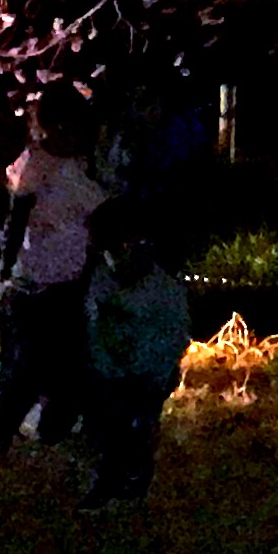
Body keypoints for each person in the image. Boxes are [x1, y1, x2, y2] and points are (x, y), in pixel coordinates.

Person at [0, 85, 107, 457]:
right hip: (41, 287)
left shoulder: (62, 167)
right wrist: (9, 268)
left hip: (57, 285)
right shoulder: (46, 169)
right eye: (66, 127)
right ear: (51, 128)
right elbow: (21, 217)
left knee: (60, 372)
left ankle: (48, 434)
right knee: (31, 376)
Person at [76, 198, 190, 507]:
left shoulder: (163, 291)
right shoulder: (101, 282)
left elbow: (175, 337)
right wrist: (102, 364)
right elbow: (95, 329)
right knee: (106, 429)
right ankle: (108, 478)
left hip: (148, 374)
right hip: (111, 372)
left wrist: (157, 374)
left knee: (139, 427)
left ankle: (136, 478)